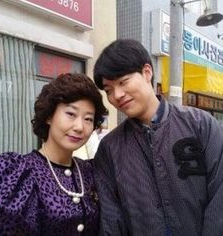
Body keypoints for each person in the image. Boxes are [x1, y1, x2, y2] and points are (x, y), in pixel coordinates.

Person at [93, 38, 223, 236]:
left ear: (147, 72)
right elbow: (111, 219)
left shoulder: (200, 124)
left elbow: (219, 194)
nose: (117, 95)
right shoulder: (110, 148)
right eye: (109, 90)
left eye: (123, 82)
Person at [0, 73, 107, 236]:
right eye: (71, 114)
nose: (79, 126)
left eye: (88, 119)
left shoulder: (89, 172)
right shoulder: (17, 173)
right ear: (49, 116)